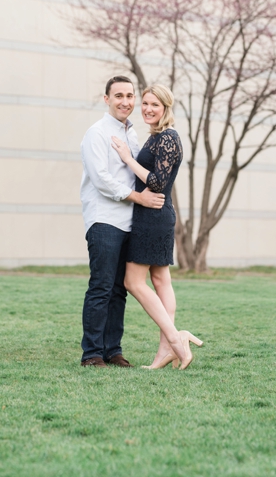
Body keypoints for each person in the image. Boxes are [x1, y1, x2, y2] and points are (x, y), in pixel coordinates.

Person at [110, 84, 202, 370]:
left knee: (133, 282)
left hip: (153, 216)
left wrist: (127, 159)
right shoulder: (157, 137)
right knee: (161, 281)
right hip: (154, 214)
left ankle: (176, 339)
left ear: (166, 108)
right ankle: (166, 350)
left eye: (155, 105)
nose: (148, 108)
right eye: (146, 103)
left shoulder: (168, 138)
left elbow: (158, 182)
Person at [78, 76, 165, 368]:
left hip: (129, 222)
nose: (125, 102)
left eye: (130, 96)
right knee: (101, 286)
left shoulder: (132, 134)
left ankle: (112, 350)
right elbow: (102, 180)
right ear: (107, 99)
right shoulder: (97, 133)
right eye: (118, 96)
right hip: (104, 220)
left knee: (119, 289)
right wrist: (139, 199)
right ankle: (92, 353)